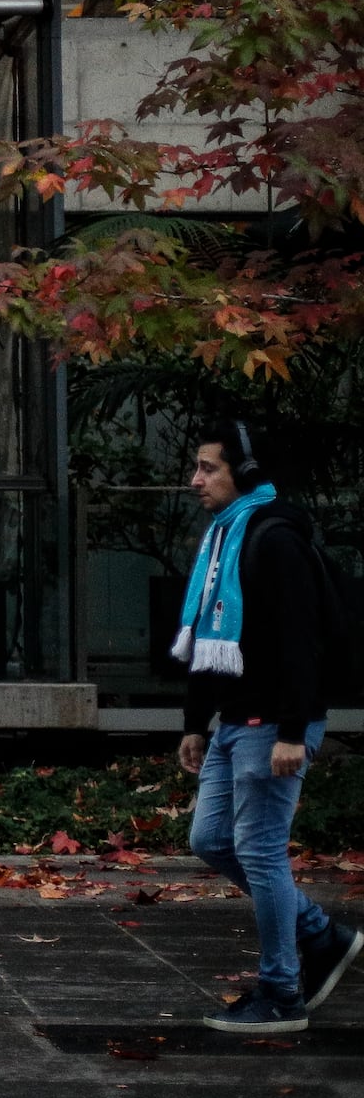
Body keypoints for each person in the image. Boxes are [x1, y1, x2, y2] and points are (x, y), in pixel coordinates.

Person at [173, 418, 363, 1034]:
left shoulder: (273, 540)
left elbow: (299, 643)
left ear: (245, 474)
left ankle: (281, 993)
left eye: (209, 468)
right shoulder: (225, 539)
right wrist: (195, 723)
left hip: (272, 724)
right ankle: (321, 936)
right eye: (197, 467)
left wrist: (291, 729)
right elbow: (209, 640)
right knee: (209, 840)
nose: (195, 479)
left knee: (258, 850)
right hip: (234, 722)